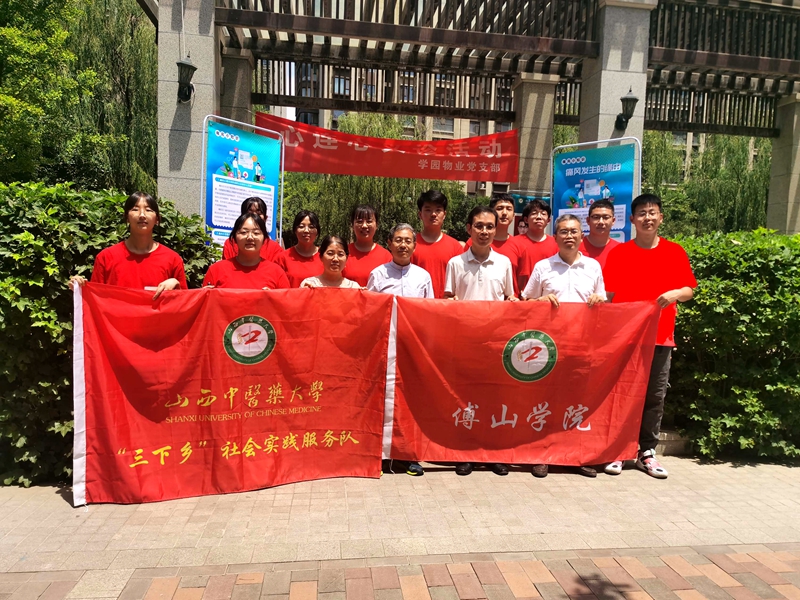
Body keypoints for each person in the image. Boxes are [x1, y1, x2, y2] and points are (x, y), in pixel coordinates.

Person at [603, 194, 697, 479]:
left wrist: (676, 293)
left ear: (661, 217)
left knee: (654, 397)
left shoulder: (674, 252)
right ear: (632, 219)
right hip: (627, 338)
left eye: (652, 212)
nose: (647, 218)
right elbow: (608, 296)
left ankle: (646, 453)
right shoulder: (619, 254)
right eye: (642, 213)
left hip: (660, 337)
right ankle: (619, 450)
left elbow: (689, 290)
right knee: (622, 394)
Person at [522, 214, 606, 479]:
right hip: (548, 348)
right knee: (546, 401)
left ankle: (576, 457)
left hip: (582, 345)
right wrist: (541, 301)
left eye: (574, 231)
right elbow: (525, 303)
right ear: (555, 236)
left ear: (582, 236)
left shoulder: (593, 267)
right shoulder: (543, 267)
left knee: (578, 401)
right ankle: (542, 454)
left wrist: (598, 300)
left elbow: (603, 302)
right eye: (563, 232)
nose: (569, 236)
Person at [445, 206, 516, 477]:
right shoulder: (455, 263)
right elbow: (447, 300)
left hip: (496, 344)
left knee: (493, 399)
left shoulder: (504, 263)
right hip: (465, 343)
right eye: (479, 226)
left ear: (496, 230)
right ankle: (466, 452)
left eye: (489, 226)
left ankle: (493, 452)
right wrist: (451, 303)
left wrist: (513, 302)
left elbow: (510, 298)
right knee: (465, 400)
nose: (484, 231)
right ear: (468, 229)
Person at [367, 223, 433, 476]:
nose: (403, 245)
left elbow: (430, 313)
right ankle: (382, 454)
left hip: (412, 348)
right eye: (398, 240)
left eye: (408, 241)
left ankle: (409, 454)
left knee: (411, 402)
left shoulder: (423, 277)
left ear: (415, 246)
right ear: (389, 243)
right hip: (386, 347)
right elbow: (370, 312)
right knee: (384, 401)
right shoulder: (378, 275)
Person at [69, 191, 187, 299]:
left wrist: (176, 285)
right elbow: (95, 301)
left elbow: (184, 304)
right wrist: (81, 288)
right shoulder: (106, 258)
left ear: (157, 219)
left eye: (148, 210)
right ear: (126, 217)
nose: (142, 215)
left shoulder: (173, 260)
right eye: (135, 209)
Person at [203, 213, 290, 290]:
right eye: (243, 232)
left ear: (264, 238)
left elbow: (286, 302)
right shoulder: (216, 271)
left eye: (256, 233)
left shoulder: (277, 273)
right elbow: (206, 302)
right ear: (234, 238)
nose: (250, 237)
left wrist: (273, 299)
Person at [410, 190, 463, 299]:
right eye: (428, 210)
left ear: (444, 214)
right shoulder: (410, 245)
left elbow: (461, 279)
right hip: (417, 303)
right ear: (420, 214)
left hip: (446, 305)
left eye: (438, 210)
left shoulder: (455, 247)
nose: (433, 214)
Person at [465, 194, 521, 294]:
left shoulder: (519, 245)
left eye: (509, 209)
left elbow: (521, 281)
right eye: (500, 208)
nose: (504, 213)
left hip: (509, 301)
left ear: (513, 215)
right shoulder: (473, 242)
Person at [507, 200, 559, 292]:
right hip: (520, 297)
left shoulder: (556, 243)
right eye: (534, 213)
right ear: (526, 220)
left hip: (549, 297)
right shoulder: (514, 242)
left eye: (543, 214)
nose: (539, 217)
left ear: (548, 220)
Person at [342, 204, 392, 287]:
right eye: (359, 221)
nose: (364, 226)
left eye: (369, 221)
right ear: (352, 225)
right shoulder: (342, 253)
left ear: (377, 225)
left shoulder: (386, 257)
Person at [222, 197, 283, 262]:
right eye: (249, 213)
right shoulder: (230, 244)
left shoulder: (275, 249)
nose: (254, 217)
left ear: (265, 218)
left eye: (258, 214)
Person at [276, 210, 323, 287]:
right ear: (295, 230)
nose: (306, 230)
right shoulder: (282, 258)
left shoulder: (325, 256)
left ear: (317, 231)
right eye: (301, 226)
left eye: (311, 227)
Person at [578, 199, 620, 270]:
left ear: (613, 221)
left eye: (606, 217)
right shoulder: (575, 248)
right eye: (596, 217)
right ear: (588, 220)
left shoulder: (621, 251)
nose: (601, 222)